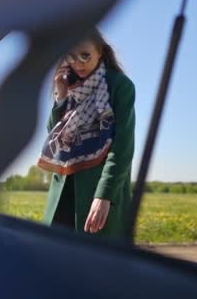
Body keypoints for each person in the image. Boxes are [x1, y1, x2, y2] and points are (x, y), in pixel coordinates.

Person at [37, 27, 135, 240]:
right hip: (64, 186)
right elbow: (53, 135)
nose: (78, 63)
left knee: (97, 265)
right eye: (71, 56)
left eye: (85, 55)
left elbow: (122, 145)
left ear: (100, 51)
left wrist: (105, 195)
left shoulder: (119, 86)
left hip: (95, 190)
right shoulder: (69, 84)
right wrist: (61, 97)